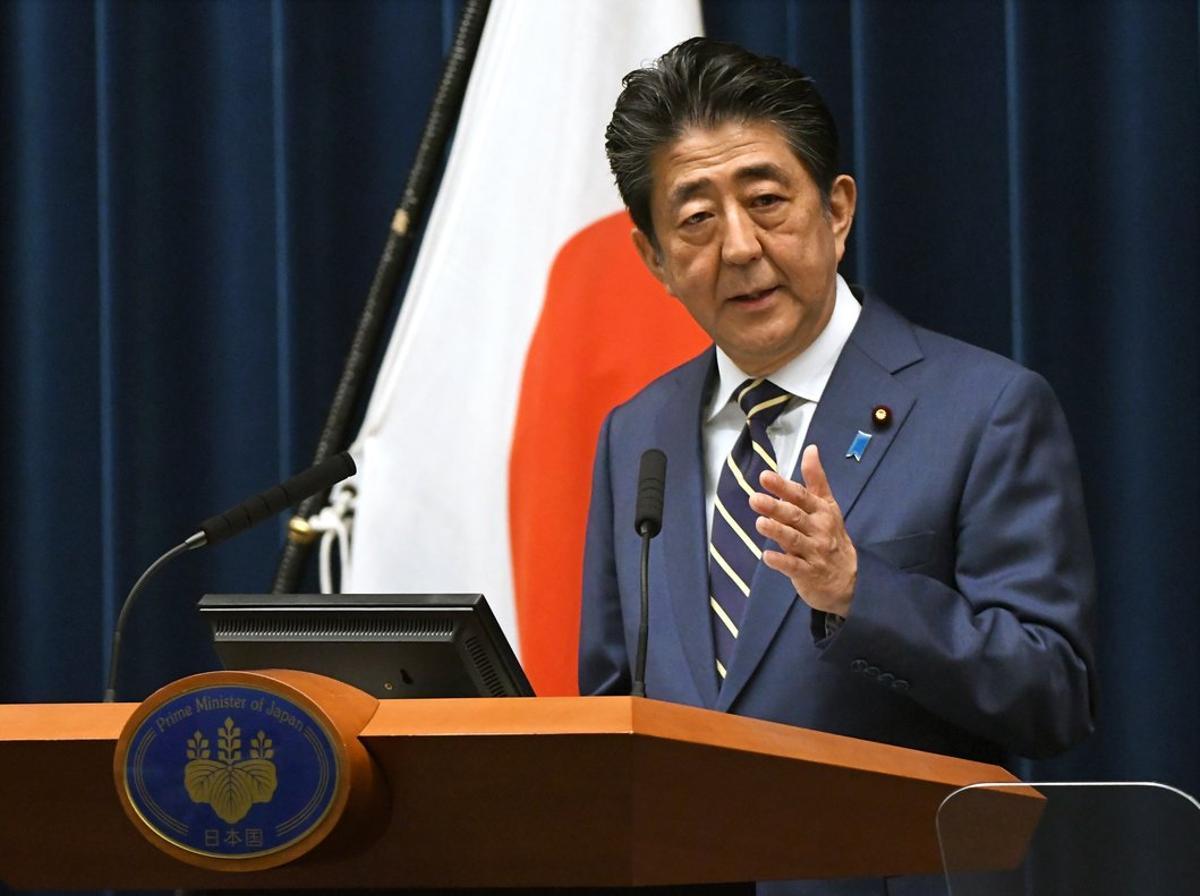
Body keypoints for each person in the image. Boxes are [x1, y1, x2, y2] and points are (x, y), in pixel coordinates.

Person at [578, 38, 1097, 896]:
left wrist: (861, 594)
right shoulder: (639, 433)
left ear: (838, 210)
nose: (739, 246)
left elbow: (1053, 693)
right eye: (697, 219)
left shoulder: (986, 408)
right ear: (655, 260)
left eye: (768, 201)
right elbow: (612, 699)